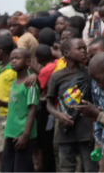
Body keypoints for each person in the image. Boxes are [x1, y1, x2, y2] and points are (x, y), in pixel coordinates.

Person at [46, 38, 98, 173]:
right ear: (67, 53)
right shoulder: (57, 76)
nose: (83, 51)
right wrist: (59, 115)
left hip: (86, 133)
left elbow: (95, 101)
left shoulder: (89, 73)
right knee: (66, 168)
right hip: (65, 132)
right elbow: (49, 103)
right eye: (79, 48)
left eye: (84, 48)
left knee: (90, 168)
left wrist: (94, 128)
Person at [1, 48, 40, 173]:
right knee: (8, 167)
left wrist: (25, 135)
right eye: (12, 58)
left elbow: (32, 110)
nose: (13, 61)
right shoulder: (14, 83)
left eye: (17, 58)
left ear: (28, 62)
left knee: (21, 168)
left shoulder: (30, 84)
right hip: (10, 131)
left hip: (23, 134)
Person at [0, 35, 17, 169]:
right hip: (0, 115)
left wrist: (3, 103)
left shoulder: (14, 70)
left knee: (9, 152)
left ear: (0, 52)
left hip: (12, 115)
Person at [35, 45, 57, 173]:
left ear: (38, 59)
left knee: (46, 142)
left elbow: (41, 88)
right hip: (55, 107)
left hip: (47, 107)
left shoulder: (44, 71)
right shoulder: (56, 64)